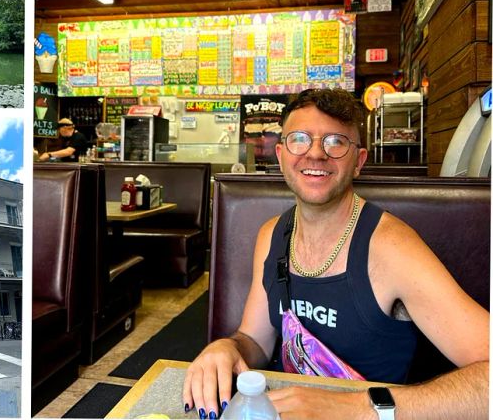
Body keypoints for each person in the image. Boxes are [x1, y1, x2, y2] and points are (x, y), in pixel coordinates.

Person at [183, 89, 489, 420]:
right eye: (300, 139)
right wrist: (228, 347)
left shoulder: (393, 248)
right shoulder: (271, 234)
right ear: (282, 154)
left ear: (358, 161)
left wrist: (361, 408)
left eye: (335, 142)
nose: (315, 154)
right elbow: (254, 340)